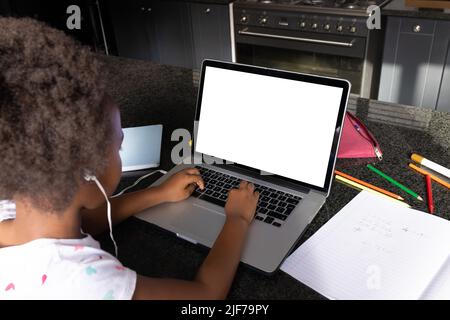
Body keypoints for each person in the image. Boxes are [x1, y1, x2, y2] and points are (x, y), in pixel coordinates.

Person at [0, 17, 259, 300]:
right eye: (118, 146)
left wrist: (157, 193)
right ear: (90, 169)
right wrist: (237, 218)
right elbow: (206, 296)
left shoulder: (15, 211)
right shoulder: (86, 284)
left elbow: (84, 221)